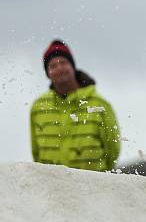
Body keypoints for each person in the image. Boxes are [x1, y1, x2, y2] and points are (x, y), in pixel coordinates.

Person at [30, 39, 121, 171]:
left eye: (63, 62)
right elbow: (36, 151)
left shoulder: (100, 104)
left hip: (92, 186)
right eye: (52, 65)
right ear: (47, 74)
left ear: (73, 66)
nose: (59, 68)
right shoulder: (39, 107)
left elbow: (112, 150)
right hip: (52, 186)